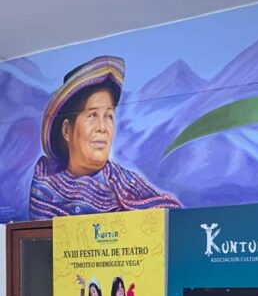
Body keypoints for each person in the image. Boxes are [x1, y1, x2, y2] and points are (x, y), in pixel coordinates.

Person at [29, 56, 182, 219]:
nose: (102, 128)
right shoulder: (45, 189)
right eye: (92, 115)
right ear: (67, 130)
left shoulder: (127, 185)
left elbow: (173, 218)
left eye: (108, 116)